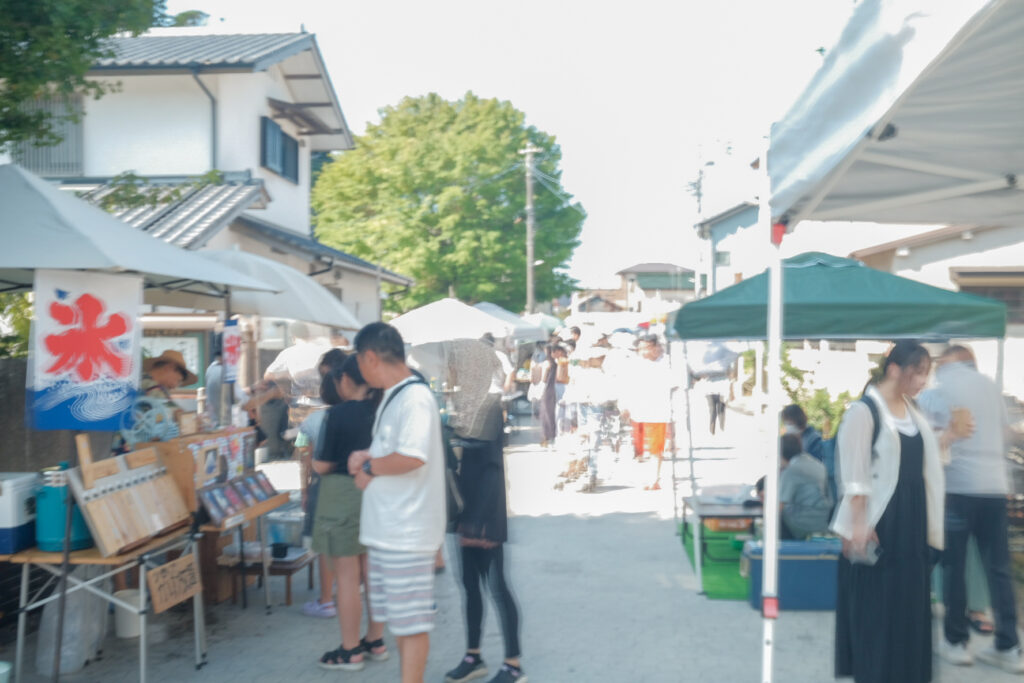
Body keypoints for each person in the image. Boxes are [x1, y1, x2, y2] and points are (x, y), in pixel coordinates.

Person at [833, 341, 945, 683]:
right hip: (881, 523)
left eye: (926, 373)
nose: (923, 380)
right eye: (918, 372)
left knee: (909, 612)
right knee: (878, 614)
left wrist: (950, 437)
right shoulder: (865, 411)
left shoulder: (913, 412)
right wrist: (860, 523)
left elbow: (922, 462)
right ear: (895, 369)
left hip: (913, 523)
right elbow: (855, 475)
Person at [348, 323, 446, 683]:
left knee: (411, 624)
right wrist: (366, 456)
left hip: (407, 533)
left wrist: (371, 466)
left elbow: (412, 456)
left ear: (369, 357)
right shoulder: (395, 395)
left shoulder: (414, 398)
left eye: (359, 361)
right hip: (389, 532)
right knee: (402, 623)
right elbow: (396, 451)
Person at [918, 344, 1024, 673]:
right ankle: (1009, 646)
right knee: (999, 569)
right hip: (994, 488)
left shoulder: (938, 391)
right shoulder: (993, 390)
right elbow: (1007, 434)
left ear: (948, 362)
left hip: (957, 488)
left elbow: (922, 435)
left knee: (954, 566)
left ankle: (956, 641)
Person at [443, 343, 526, 683]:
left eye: (456, 364)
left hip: (485, 513)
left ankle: (513, 663)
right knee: (469, 587)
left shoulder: (489, 405)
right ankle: (473, 655)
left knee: (496, 586)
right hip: (465, 510)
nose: (452, 371)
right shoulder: (462, 406)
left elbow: (488, 463)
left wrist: (451, 437)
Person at [312, 355, 388, 670]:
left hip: (343, 494)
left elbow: (321, 465)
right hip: (379, 492)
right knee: (372, 572)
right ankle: (376, 640)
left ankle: (351, 649)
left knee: (347, 576)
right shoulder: (384, 410)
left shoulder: (338, 414)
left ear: (345, 380)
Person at [297, 347, 347, 619]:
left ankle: (326, 599)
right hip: (354, 488)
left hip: (324, 486)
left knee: (325, 545)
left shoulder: (313, 420)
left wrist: (305, 488)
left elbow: (306, 456)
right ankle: (349, 587)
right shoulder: (365, 415)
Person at [622, 334, 674, 490]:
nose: (642, 351)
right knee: (641, 450)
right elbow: (628, 385)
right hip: (638, 412)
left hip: (658, 411)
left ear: (655, 347)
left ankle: (654, 479)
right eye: (640, 348)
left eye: (645, 348)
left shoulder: (667, 363)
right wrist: (625, 405)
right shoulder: (636, 364)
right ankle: (649, 478)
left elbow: (675, 386)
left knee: (655, 448)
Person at [778, 433, 832, 539]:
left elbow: (780, 504)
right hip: (822, 519)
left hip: (804, 522)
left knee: (774, 520)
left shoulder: (792, 470)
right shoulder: (815, 463)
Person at [538, 344, 558, 448]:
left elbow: (544, 379)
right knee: (552, 413)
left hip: (547, 390)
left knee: (545, 414)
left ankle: (545, 437)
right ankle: (552, 435)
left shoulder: (547, 363)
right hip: (555, 389)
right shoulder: (556, 363)